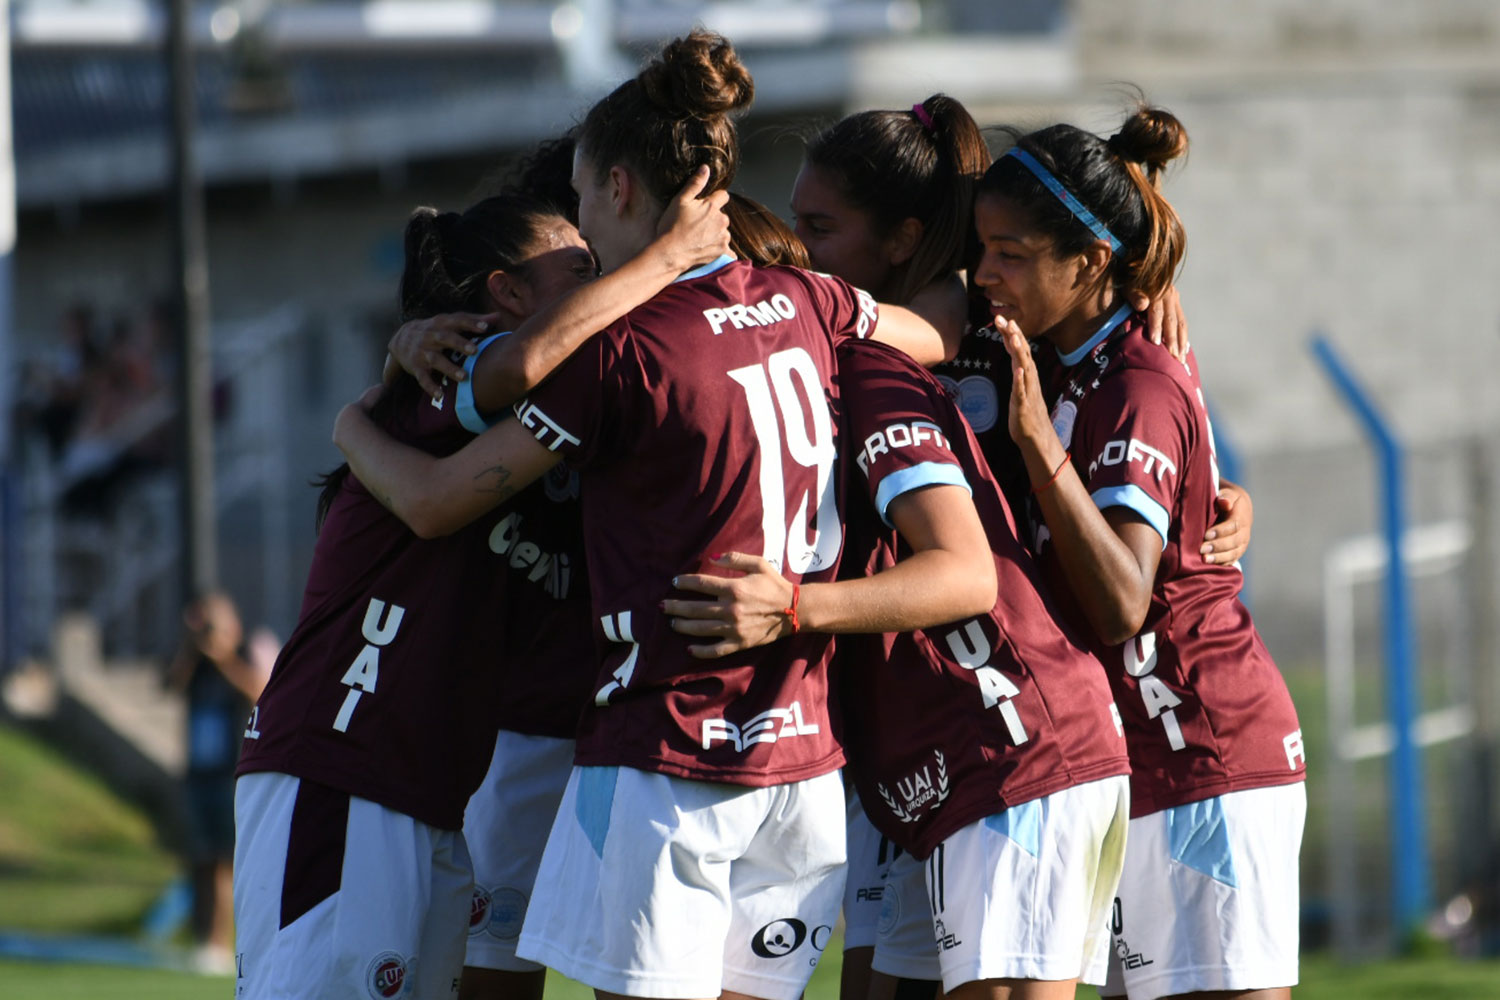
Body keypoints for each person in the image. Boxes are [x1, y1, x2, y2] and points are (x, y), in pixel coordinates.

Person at [332, 31, 949, 1000]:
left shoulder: (623, 352)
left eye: (581, 199)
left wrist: (354, 419)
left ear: (619, 187)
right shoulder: (813, 298)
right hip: (801, 764)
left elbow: (439, 498)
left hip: (672, 754)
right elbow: (933, 334)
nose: (580, 226)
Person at [233, 182, 730, 1000]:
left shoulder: (563, 428)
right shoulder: (449, 378)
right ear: (506, 293)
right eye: (582, 269)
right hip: (340, 767)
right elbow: (498, 392)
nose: (607, 278)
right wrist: (666, 258)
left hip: (430, 797)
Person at [665, 330, 1134, 1000]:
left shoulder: (870, 363)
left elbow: (969, 577)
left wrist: (793, 608)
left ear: (908, 236)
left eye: (825, 225)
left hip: (1011, 745)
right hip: (919, 772)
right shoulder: (815, 358)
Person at [975, 106, 1306, 1000]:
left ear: (1087, 262)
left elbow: (1125, 599)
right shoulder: (1067, 359)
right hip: (1140, 764)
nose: (983, 274)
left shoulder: (1134, 379)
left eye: (1009, 253)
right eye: (982, 248)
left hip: (1207, 750)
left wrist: (1042, 448)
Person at [167, 590, 273, 974]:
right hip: (199, 773)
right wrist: (193, 647)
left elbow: (260, 692)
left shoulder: (242, 653)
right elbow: (170, 686)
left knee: (226, 864)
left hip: (231, 773)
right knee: (200, 859)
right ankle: (201, 943)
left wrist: (224, 655)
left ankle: (219, 943)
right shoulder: (193, 661)